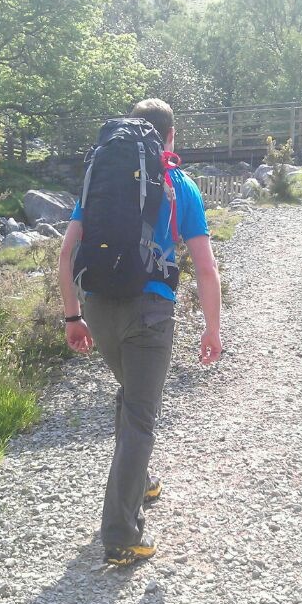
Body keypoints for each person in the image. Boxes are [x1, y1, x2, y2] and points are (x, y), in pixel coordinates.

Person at [58, 98, 222, 565]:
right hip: (150, 313)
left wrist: (72, 316)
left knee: (130, 396)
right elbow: (205, 267)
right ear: (170, 136)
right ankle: (121, 535)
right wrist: (212, 329)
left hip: (97, 307)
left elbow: (67, 254)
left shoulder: (101, 179)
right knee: (140, 418)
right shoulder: (179, 184)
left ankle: (141, 482)